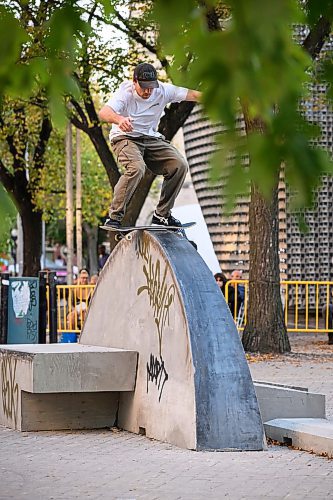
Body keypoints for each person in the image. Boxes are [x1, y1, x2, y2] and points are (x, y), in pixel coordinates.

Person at [98, 62, 201, 229]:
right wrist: (120, 119)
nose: (147, 91)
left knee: (179, 165)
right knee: (137, 168)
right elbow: (104, 113)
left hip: (150, 138)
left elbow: (193, 95)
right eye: (144, 87)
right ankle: (115, 217)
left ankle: (162, 215)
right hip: (125, 138)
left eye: (150, 87)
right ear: (134, 82)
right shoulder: (125, 93)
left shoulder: (163, 90)